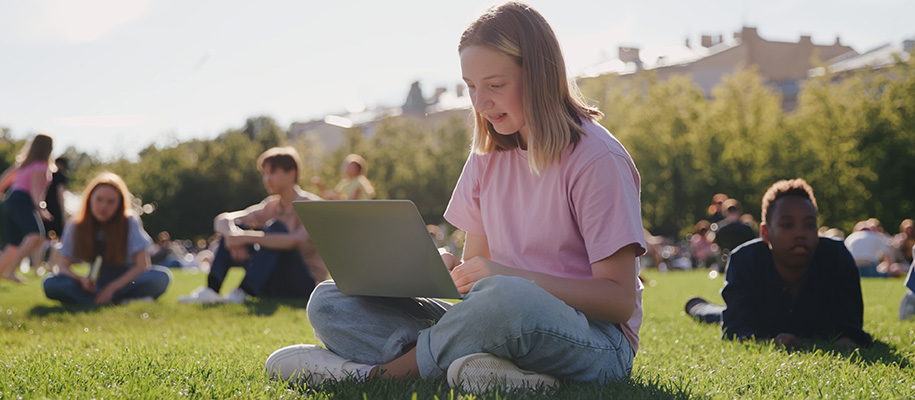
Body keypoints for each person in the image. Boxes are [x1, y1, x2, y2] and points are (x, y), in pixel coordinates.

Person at [265, 2, 646, 393]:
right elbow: (477, 277)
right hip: (499, 317)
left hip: (597, 344)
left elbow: (618, 300)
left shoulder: (598, 159)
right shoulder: (487, 157)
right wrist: (440, 273)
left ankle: (379, 374)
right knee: (330, 299)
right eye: (471, 87)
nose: (480, 104)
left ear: (540, 75)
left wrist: (510, 279)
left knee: (506, 299)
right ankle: (494, 371)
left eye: (495, 86)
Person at [686, 179, 872, 348]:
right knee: (718, 315)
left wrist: (845, 340)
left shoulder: (837, 257)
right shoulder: (744, 259)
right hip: (760, 319)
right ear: (765, 233)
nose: (800, 233)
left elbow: (851, 323)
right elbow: (736, 327)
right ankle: (697, 307)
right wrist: (767, 342)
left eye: (809, 225)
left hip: (813, 322)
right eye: (787, 225)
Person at [180, 147, 328, 304]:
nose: (266, 179)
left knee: (276, 228)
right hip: (273, 281)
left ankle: (243, 291)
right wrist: (233, 236)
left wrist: (244, 238)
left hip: (305, 285)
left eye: (272, 172)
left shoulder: (314, 206)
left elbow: (295, 241)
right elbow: (223, 219)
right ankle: (212, 290)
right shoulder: (270, 205)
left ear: (291, 173)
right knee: (236, 226)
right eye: (264, 174)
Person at [42, 173, 172, 305]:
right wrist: (81, 280)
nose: (104, 206)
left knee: (161, 278)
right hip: (95, 281)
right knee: (51, 283)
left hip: (126, 279)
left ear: (119, 204)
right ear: (89, 199)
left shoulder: (130, 222)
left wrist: (112, 288)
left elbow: (142, 265)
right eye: (99, 199)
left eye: (111, 202)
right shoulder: (75, 225)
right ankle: (116, 300)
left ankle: (93, 300)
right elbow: (63, 267)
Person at [0, 134, 55, 283]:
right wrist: (41, 208)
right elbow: (36, 189)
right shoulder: (40, 166)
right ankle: (12, 270)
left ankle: (3, 272)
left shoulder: (23, 164)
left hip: (10, 200)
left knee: (12, 245)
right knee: (36, 235)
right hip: (22, 200)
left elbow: (3, 182)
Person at [712, 198, 757, 268]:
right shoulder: (746, 228)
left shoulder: (721, 228)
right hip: (743, 256)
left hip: (731, 256)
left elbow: (717, 242)